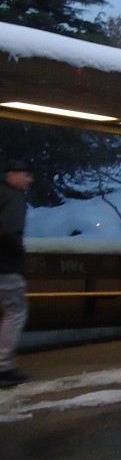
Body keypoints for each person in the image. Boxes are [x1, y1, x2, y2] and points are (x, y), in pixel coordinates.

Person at [0, 159, 33, 388]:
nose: (30, 180)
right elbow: (10, 232)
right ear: (12, 174)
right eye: (26, 175)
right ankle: (2, 366)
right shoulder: (13, 197)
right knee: (15, 311)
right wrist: (18, 256)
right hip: (5, 266)